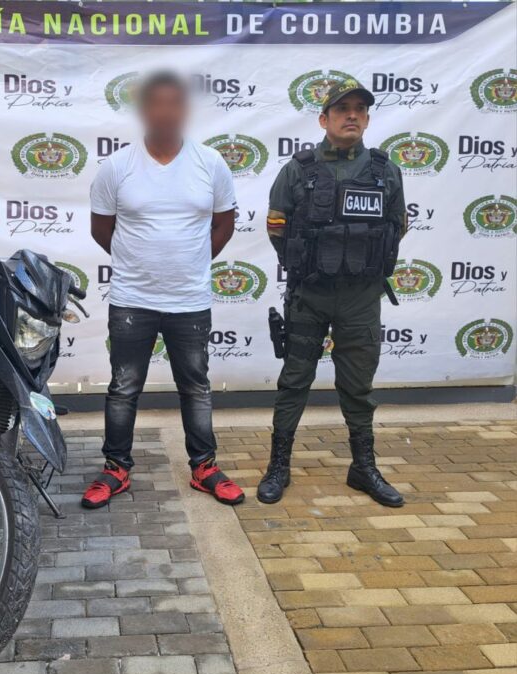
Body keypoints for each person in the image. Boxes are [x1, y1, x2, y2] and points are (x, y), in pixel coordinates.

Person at [82, 71, 245, 509]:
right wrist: (143, 263)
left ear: (185, 110)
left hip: (189, 301)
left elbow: (224, 223)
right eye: (157, 104)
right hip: (132, 300)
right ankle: (116, 469)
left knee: (195, 387)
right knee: (123, 387)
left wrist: (189, 261)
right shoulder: (117, 166)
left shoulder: (211, 163)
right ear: (143, 111)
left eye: (175, 104)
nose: (166, 112)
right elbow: (102, 230)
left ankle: (204, 467)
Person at [258, 79, 407, 508]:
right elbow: (276, 224)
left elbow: (398, 225)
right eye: (343, 110)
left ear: (368, 118)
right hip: (310, 293)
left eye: (360, 109)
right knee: (294, 380)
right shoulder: (299, 169)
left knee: (358, 385)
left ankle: (363, 467)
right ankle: (279, 466)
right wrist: (308, 261)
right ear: (324, 119)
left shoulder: (384, 170)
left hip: (361, 297)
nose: (352, 115)